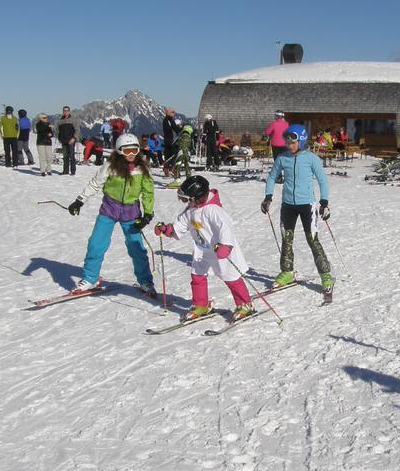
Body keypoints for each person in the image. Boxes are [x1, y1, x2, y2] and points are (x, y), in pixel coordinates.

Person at [154, 174, 255, 323]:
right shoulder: (190, 210)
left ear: (197, 197)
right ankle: (201, 305)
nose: (185, 203)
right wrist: (167, 229)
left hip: (219, 250)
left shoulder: (213, 210)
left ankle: (245, 305)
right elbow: (179, 226)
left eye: (186, 199)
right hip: (202, 249)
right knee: (197, 276)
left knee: (230, 276)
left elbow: (225, 228)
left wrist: (225, 246)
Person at [67, 133, 156, 295]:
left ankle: (145, 281)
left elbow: (148, 192)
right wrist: (79, 200)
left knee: (136, 248)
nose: (131, 155)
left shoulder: (142, 169)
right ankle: (90, 278)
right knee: (96, 243)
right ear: (119, 150)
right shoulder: (110, 166)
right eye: (127, 151)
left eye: (134, 150)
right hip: (109, 209)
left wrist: (148, 214)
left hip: (131, 212)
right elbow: (95, 184)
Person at [261, 124, 334, 296]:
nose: (288, 145)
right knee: (287, 239)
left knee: (312, 240)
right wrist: (268, 197)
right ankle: (287, 272)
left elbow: (323, 180)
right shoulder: (282, 158)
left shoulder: (311, 158)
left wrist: (324, 203)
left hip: (307, 205)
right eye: (286, 142)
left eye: (292, 142)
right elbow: (272, 177)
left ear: (301, 141)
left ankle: (326, 276)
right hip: (288, 205)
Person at [57, 105, 77, 175]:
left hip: (71, 140)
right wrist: (59, 138)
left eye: (67, 110)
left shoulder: (73, 120)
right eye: (64, 110)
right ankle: (65, 171)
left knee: (71, 156)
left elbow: (77, 130)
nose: (65, 112)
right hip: (63, 140)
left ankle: (73, 171)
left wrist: (74, 138)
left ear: (69, 111)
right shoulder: (60, 120)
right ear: (63, 111)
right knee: (65, 156)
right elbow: (58, 130)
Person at [162, 107, 180, 174]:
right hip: (169, 140)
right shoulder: (168, 120)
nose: (174, 113)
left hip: (169, 139)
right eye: (173, 112)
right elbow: (174, 128)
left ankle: (168, 168)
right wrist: (179, 131)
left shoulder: (170, 119)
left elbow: (174, 128)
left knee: (170, 154)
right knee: (172, 154)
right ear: (168, 113)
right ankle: (170, 168)